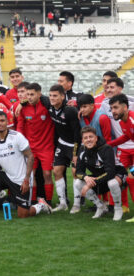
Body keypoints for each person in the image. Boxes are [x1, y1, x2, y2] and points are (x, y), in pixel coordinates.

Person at [73, 126, 125, 221]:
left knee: (112, 183)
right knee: (78, 183)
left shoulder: (106, 148)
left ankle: (118, 208)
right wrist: (85, 178)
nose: (88, 140)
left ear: (96, 138)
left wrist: (90, 184)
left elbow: (110, 172)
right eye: (86, 138)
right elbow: (78, 171)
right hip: (101, 176)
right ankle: (100, 206)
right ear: (82, 140)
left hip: (118, 174)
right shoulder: (82, 150)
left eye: (91, 137)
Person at [17, 83, 55, 204]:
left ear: (39, 94)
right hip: (31, 148)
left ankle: (48, 201)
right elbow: (20, 127)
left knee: (47, 174)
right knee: (31, 174)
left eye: (32, 94)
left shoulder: (47, 106)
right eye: (27, 94)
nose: (29, 97)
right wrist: (20, 143)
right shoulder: (23, 107)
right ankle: (32, 200)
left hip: (46, 147)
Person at [100, 78, 134, 212]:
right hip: (123, 150)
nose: (112, 111)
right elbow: (126, 136)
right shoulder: (122, 120)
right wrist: (109, 144)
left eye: (115, 108)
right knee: (121, 176)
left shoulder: (131, 117)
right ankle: (124, 206)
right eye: (111, 108)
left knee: (130, 178)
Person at [47, 84, 81, 212]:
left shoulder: (70, 111)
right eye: (50, 95)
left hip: (74, 144)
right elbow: (37, 96)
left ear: (63, 96)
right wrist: (21, 103)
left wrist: (76, 153)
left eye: (55, 96)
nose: (52, 98)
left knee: (75, 172)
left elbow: (77, 133)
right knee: (56, 171)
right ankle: (62, 203)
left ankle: (77, 204)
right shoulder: (49, 106)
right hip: (62, 143)